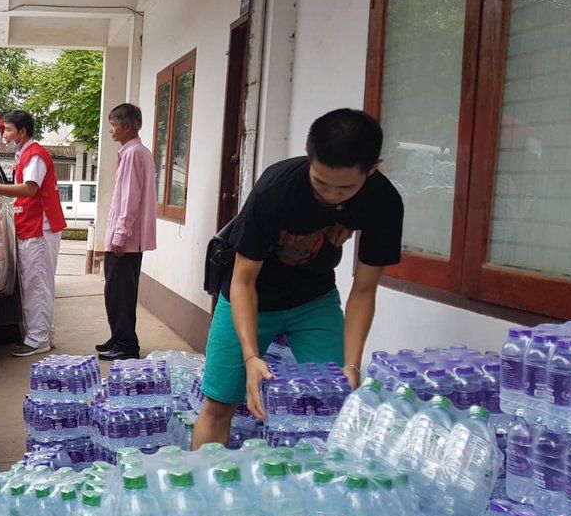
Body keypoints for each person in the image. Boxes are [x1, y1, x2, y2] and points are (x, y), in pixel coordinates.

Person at [191, 108, 404, 449]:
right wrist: (250, 357)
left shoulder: (384, 202)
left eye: (345, 188)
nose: (331, 195)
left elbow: (364, 290)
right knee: (219, 403)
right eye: (320, 183)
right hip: (250, 297)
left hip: (313, 300)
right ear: (309, 159)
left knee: (335, 397)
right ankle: (198, 492)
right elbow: (243, 281)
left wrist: (352, 363)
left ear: (373, 169)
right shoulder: (276, 189)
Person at [0, 110, 65, 358]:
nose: (6, 134)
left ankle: (37, 339)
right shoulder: (25, 154)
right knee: (38, 283)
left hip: (39, 228)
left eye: (9, 130)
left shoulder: (35, 155)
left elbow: (30, 189)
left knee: (36, 284)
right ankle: (43, 335)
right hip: (32, 227)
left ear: (22, 131)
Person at [97, 103, 157, 361]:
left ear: (127, 126)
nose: (110, 130)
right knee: (118, 291)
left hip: (126, 241)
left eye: (113, 124)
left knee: (119, 292)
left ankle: (126, 344)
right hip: (128, 240)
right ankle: (119, 337)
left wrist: (120, 234)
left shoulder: (133, 154)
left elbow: (130, 199)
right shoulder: (135, 152)